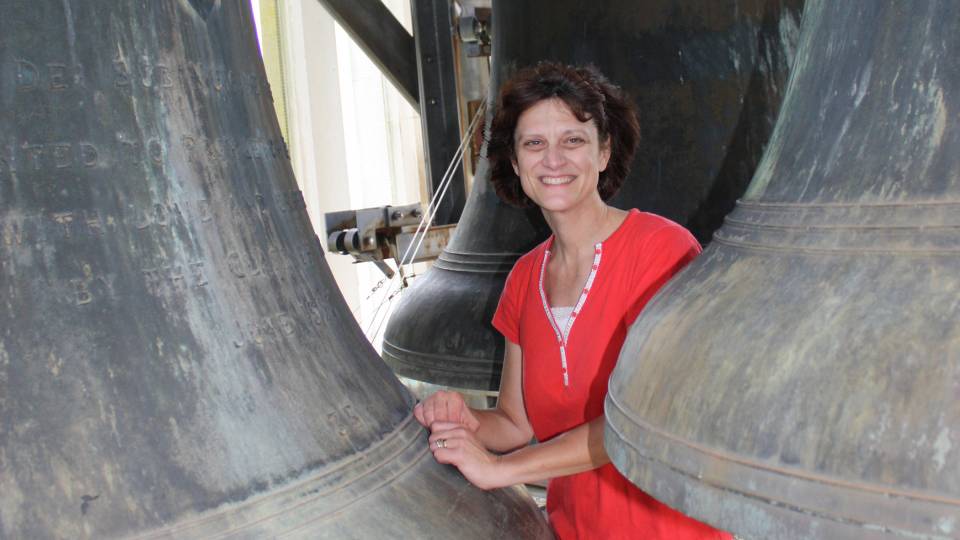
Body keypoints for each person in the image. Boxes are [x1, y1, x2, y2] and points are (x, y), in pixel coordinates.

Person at [414, 62, 730, 539]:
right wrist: (463, 420)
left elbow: (640, 422)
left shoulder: (662, 252)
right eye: (534, 144)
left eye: (573, 140)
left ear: (604, 152)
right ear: (516, 164)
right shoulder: (523, 279)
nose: (553, 160)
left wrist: (502, 471)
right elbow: (514, 422)